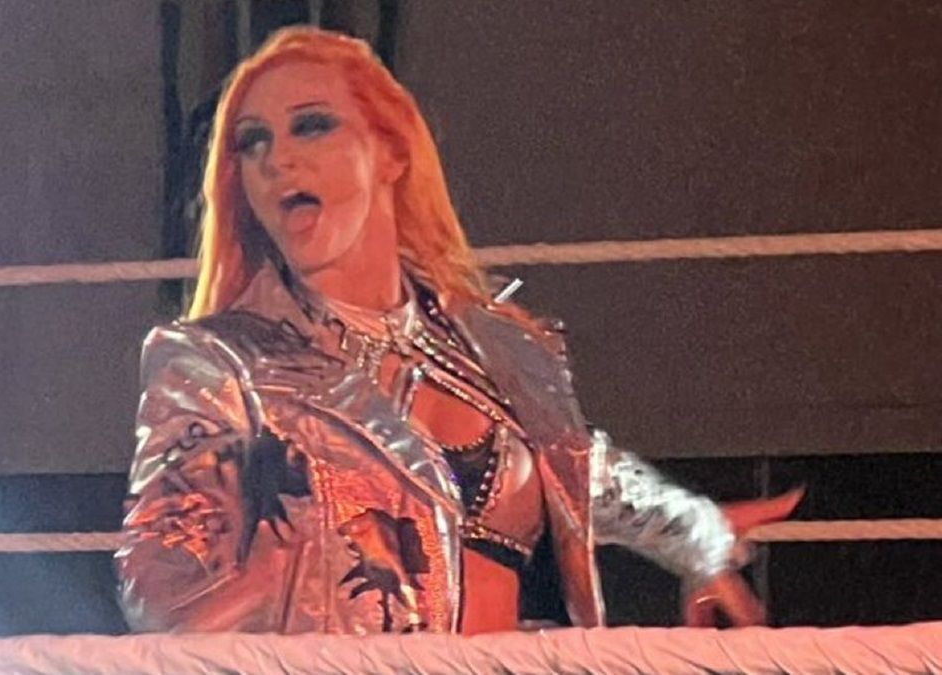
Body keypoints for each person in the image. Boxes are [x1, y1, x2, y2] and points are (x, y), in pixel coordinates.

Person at [115, 26, 798, 634]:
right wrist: (295, 572)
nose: (277, 159)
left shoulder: (502, 349)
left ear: (391, 153)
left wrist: (692, 530)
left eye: (312, 125)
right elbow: (159, 585)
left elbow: (574, 467)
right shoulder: (216, 362)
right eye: (253, 141)